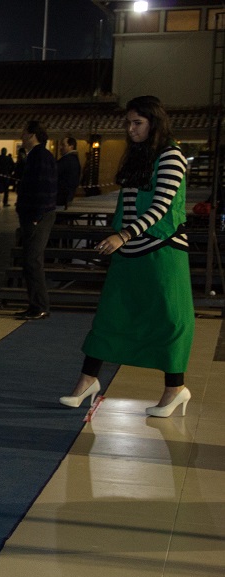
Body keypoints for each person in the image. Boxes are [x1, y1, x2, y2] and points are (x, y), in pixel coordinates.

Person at [60, 96, 193, 418]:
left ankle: (175, 389)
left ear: (154, 123)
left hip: (164, 250)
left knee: (170, 320)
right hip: (132, 250)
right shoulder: (140, 155)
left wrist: (123, 235)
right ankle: (86, 382)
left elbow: (161, 205)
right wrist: (124, 237)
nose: (131, 129)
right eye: (128, 123)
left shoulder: (171, 155)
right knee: (110, 316)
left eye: (138, 123)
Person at [14, 121, 57, 320]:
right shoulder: (40, 155)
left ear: (32, 135)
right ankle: (36, 304)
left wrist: (36, 216)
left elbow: (42, 186)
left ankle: (39, 305)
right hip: (37, 214)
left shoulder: (39, 156)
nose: (21, 137)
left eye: (24, 133)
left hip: (37, 215)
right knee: (31, 260)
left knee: (32, 260)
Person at [56, 136, 81, 210]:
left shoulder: (67, 160)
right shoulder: (74, 159)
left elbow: (54, 172)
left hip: (60, 197)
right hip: (67, 196)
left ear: (71, 147)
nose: (60, 147)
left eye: (63, 145)